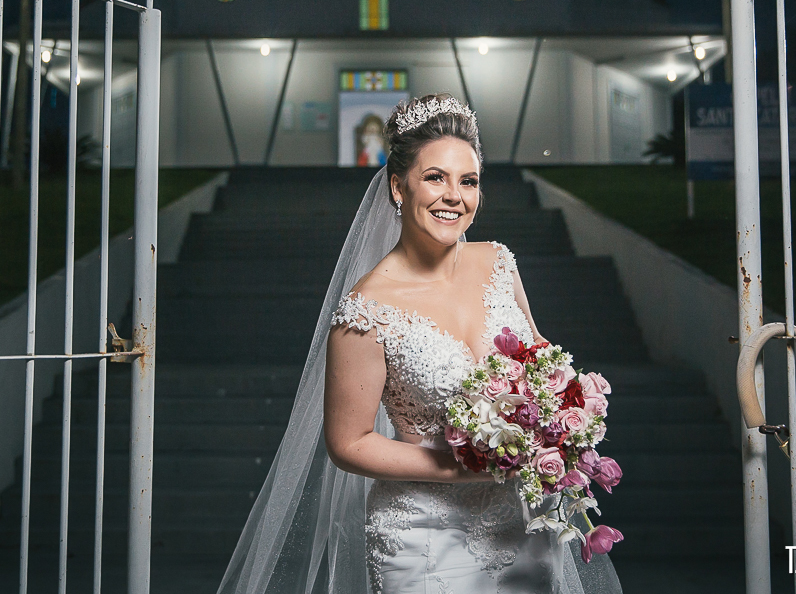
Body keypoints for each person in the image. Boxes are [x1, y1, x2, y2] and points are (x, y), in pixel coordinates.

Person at [216, 94, 621, 594]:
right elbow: (348, 443)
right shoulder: (367, 309)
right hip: (425, 536)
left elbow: (539, 355)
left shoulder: (498, 263)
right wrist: (463, 469)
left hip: (524, 524)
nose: (454, 195)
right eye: (435, 178)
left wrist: (565, 415)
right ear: (397, 187)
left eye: (468, 181)